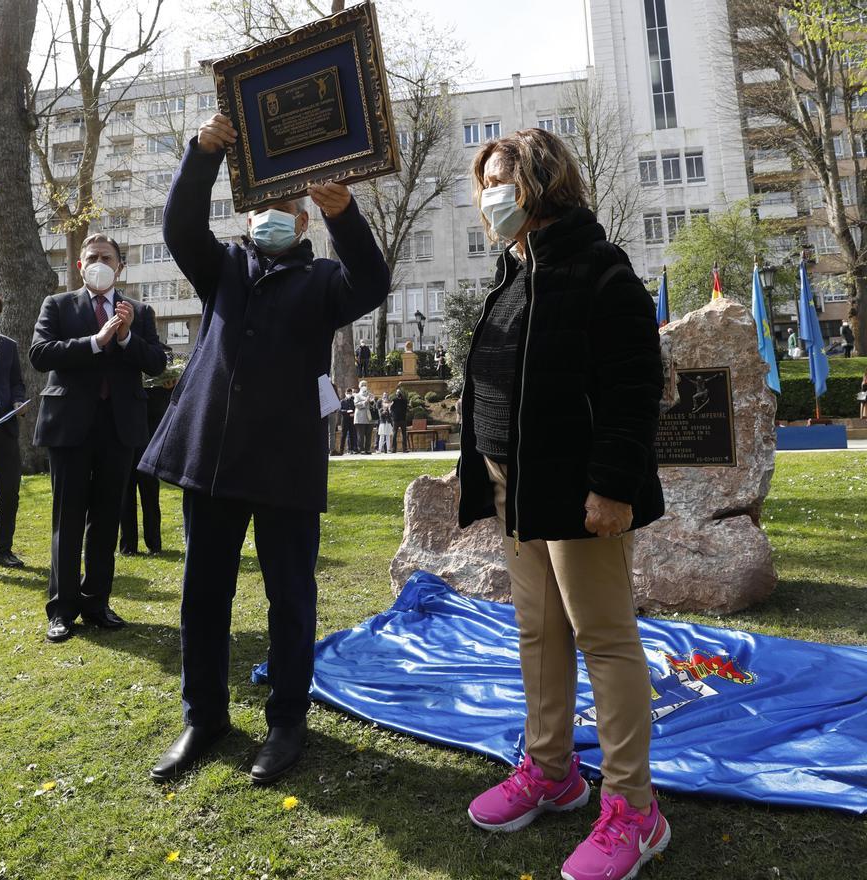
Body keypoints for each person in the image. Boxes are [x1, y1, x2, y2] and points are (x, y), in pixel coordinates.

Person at [139, 114, 389, 785]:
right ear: (248, 217)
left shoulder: (322, 281)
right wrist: (202, 153)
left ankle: (286, 722)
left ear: (304, 224)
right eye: (265, 209)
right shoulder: (221, 269)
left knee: (290, 596)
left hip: (284, 463)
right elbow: (179, 228)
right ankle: (205, 715)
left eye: (288, 210)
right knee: (203, 592)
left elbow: (372, 284)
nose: (275, 218)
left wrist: (347, 214)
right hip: (212, 459)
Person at [457, 128, 669, 880]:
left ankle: (634, 810)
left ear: (541, 184)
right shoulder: (514, 271)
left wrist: (612, 489)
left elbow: (636, 386)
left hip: (582, 497)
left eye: (500, 180)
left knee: (603, 641)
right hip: (522, 495)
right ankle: (552, 772)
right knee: (539, 636)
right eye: (484, 181)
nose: (489, 197)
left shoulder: (599, 268)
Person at [30, 234, 166, 643]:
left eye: (107, 257)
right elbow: (41, 353)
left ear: (120, 266)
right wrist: (96, 341)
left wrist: (125, 338)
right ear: (79, 266)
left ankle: (97, 602)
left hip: (118, 427)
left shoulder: (138, 312)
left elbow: (158, 361)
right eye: (92, 258)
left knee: (106, 520)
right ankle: (62, 609)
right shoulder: (58, 305)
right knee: (67, 520)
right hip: (70, 426)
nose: (99, 263)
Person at [119, 355, 176, 555]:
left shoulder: (159, 354)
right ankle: (128, 545)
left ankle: (154, 543)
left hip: (150, 429)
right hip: (124, 428)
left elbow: (167, 395)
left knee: (149, 488)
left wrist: (169, 387)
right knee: (126, 489)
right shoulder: (121, 349)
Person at [0, 291, 27, 568]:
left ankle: (3, 549)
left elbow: (17, 381)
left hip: (3, 425)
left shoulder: (9, 346)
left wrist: (18, 400)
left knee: (10, 489)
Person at [353, 379, 375, 454]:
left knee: (369, 434)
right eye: (362, 385)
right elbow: (357, 405)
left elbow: (374, 406)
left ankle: (367, 449)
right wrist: (365, 402)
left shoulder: (370, 394)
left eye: (365, 385)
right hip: (360, 417)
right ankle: (361, 449)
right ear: (359, 386)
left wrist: (372, 402)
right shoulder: (357, 396)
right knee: (361, 435)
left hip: (369, 417)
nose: (364, 386)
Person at [339, 387, 358, 454]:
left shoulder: (353, 401)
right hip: (345, 420)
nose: (349, 394)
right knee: (343, 435)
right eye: (347, 393)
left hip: (352, 420)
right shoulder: (342, 401)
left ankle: (352, 449)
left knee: (352, 434)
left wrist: (353, 414)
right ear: (345, 393)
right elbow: (340, 410)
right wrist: (347, 411)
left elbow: (355, 409)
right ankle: (341, 450)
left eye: (350, 393)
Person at [390, 387, 408, 453]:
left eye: (398, 392)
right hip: (398, 419)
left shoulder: (402, 400)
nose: (398, 393)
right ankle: (397, 449)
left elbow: (391, 409)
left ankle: (401, 449)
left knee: (402, 434)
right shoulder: (396, 400)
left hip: (400, 419)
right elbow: (391, 409)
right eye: (398, 392)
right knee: (397, 434)